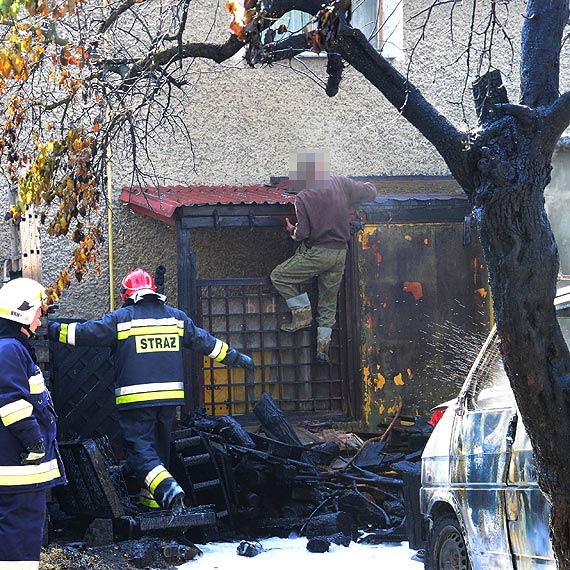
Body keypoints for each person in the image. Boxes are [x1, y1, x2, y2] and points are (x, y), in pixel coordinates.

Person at [48, 267, 254, 511]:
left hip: (136, 400)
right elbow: (205, 342)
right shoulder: (176, 318)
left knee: (139, 451)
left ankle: (168, 489)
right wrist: (235, 357)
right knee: (158, 450)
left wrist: (48, 328)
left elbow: (81, 333)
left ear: (127, 294)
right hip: (169, 400)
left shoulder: (121, 318)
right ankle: (155, 505)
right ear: (153, 293)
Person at [270, 149, 377, 364]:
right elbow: (370, 192)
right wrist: (369, 185)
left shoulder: (303, 196)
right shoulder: (340, 183)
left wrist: (291, 229)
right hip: (340, 253)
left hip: (319, 253)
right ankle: (323, 350)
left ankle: (302, 315)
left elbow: (303, 234)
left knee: (279, 275)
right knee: (328, 303)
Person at [0, 278, 66, 568]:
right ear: (22, 313)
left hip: (17, 467)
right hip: (19, 468)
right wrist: (34, 441)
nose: (40, 322)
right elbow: (10, 402)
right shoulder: (10, 350)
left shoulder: (10, 348)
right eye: (38, 314)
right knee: (21, 537)